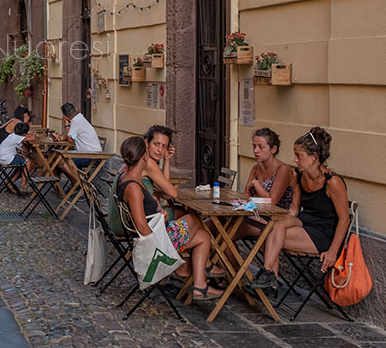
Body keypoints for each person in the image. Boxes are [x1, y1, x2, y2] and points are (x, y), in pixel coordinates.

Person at [117, 136, 223, 302]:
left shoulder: (129, 177)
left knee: (203, 236)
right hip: (156, 248)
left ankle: (199, 286)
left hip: (158, 236)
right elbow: (142, 227)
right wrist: (162, 238)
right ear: (144, 156)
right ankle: (183, 268)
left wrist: (159, 214)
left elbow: (145, 213)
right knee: (194, 218)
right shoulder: (133, 187)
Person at [248, 127, 350, 295]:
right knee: (272, 225)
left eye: (299, 156)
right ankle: (269, 279)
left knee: (269, 233)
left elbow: (344, 219)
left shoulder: (333, 182)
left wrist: (332, 251)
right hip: (304, 222)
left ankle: (268, 277)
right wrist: (273, 221)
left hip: (323, 233)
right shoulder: (300, 176)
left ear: (314, 157)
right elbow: (294, 210)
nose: (295, 160)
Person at [0, 122, 37, 192]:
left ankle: (9, 182)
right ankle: (23, 185)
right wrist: (33, 133)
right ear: (24, 133)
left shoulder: (13, 135)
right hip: (7, 159)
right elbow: (33, 138)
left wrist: (27, 135)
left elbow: (26, 138)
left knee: (23, 164)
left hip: (2, 158)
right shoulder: (17, 138)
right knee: (28, 162)